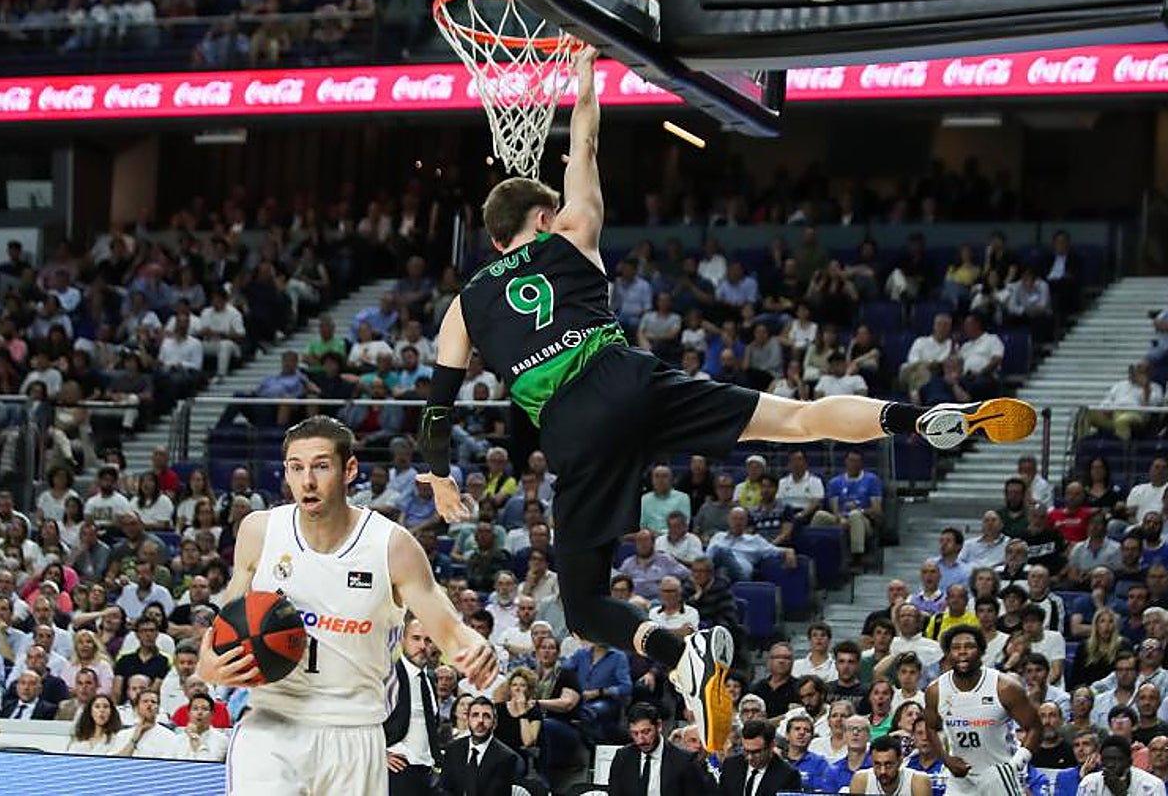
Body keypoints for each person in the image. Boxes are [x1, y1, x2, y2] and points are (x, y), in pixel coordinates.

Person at [416, 47, 1036, 752]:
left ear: (495, 239)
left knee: (585, 608)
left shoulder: (463, 306)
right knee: (795, 420)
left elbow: (439, 410)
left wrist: (438, 478)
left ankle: (681, 656)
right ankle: (916, 419)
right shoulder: (575, 231)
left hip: (573, 426)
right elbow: (583, 140)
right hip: (629, 376)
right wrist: (585, 78)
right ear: (547, 215)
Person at [198, 416, 497, 796]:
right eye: (296, 467)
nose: (307, 480)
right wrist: (211, 665)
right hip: (272, 724)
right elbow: (225, 629)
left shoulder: (392, 546)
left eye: (321, 466)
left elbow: (450, 631)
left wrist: (473, 648)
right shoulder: (260, 532)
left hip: (355, 733)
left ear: (349, 470)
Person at [923, 625, 1042, 796]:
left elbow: (1035, 728)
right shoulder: (935, 691)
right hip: (960, 781)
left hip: (1000, 775)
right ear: (948, 654)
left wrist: (1015, 764)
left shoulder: (1005, 687)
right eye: (956, 648)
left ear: (981, 652)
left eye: (969, 646)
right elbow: (932, 728)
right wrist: (946, 759)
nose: (962, 652)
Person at [607, 701, 716, 796]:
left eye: (646, 732)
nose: (641, 740)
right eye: (635, 733)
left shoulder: (684, 761)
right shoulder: (623, 757)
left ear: (659, 726)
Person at [384, 617, 442, 796]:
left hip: (428, 773)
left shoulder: (430, 679)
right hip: (398, 771)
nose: (423, 646)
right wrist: (380, 754)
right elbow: (362, 720)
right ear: (402, 639)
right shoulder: (388, 676)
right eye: (416, 638)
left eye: (428, 640)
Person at [437, 696, 522, 796]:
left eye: (486, 716)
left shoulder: (506, 757)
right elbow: (445, 789)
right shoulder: (453, 749)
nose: (480, 721)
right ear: (468, 720)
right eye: (475, 715)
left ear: (495, 723)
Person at [718, 716, 801, 796]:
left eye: (756, 752)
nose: (749, 757)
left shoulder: (788, 776)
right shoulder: (731, 765)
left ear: (771, 746)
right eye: (746, 751)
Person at [1078, 735, 1168, 796]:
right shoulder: (1089, 783)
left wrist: (1122, 794)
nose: (1110, 765)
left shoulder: (1153, 785)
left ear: (1129, 761)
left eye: (1116, 759)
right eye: (1106, 759)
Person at [852, 735, 934, 796]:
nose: (882, 771)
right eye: (877, 765)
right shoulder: (861, 780)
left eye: (888, 765)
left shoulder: (918, 781)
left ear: (900, 761)